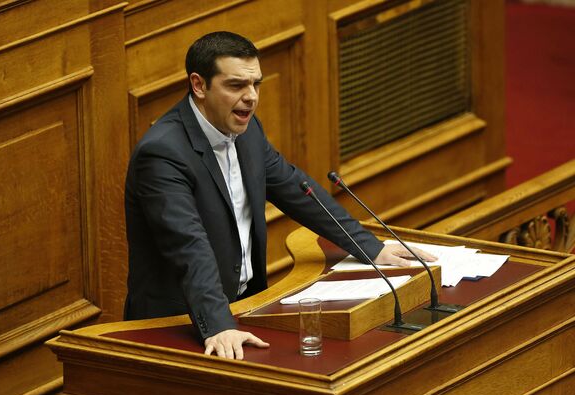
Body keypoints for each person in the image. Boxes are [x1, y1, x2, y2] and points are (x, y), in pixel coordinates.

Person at [124, 31, 435, 360]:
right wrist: (218, 324)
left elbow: (296, 189)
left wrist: (370, 247)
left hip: (244, 308)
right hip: (178, 325)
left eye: (255, 84)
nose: (251, 97)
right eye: (236, 85)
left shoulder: (247, 131)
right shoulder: (163, 153)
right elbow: (188, 245)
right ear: (199, 85)